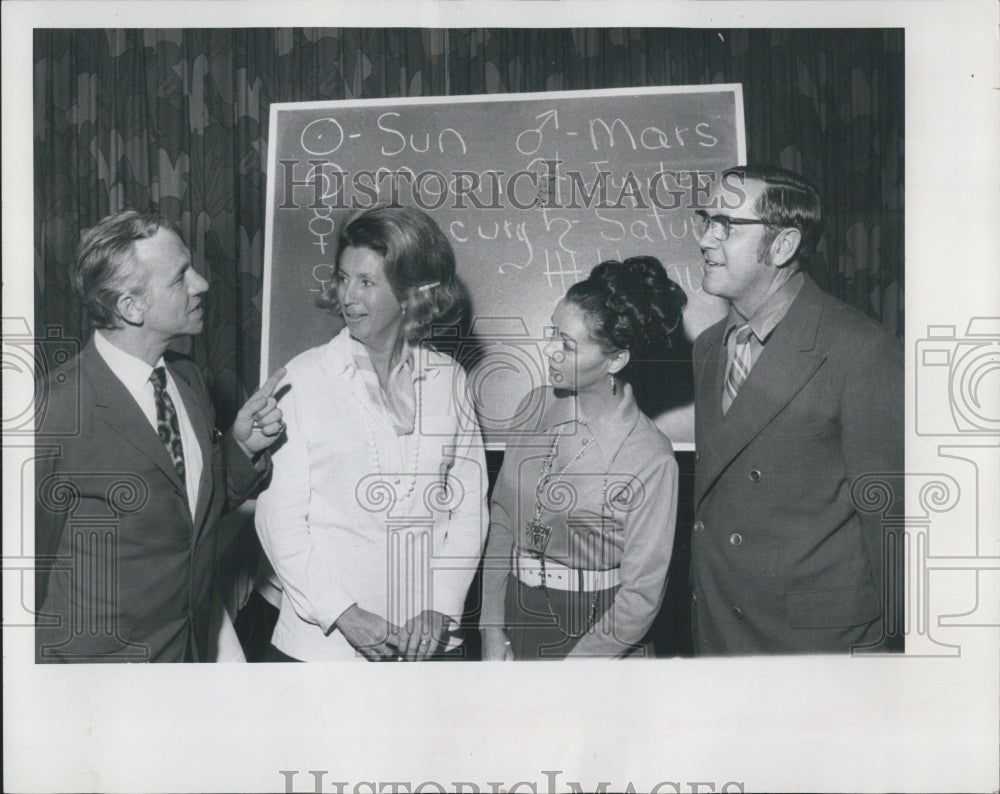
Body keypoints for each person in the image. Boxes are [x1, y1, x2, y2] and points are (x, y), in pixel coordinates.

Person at [35, 209, 285, 663]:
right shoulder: (56, 408)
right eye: (180, 277)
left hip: (185, 657)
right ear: (131, 307)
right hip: (96, 678)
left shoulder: (187, 379)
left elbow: (187, 511)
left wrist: (240, 448)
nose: (202, 283)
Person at [254, 205, 487, 662]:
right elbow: (278, 522)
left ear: (411, 293)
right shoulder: (301, 380)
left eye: (367, 282)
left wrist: (439, 608)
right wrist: (344, 614)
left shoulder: (449, 379)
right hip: (324, 647)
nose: (348, 297)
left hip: (429, 645)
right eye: (343, 279)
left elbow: (468, 512)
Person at [689, 165, 904, 655]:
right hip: (721, 628)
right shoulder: (706, 349)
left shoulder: (859, 350)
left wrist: (895, 658)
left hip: (815, 645)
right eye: (705, 219)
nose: (706, 238)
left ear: (783, 246)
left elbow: (893, 526)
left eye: (727, 224)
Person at [480, 257, 687, 659]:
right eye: (553, 334)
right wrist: (491, 625)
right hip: (517, 615)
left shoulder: (651, 459)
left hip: (596, 631)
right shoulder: (533, 407)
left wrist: (575, 671)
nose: (551, 353)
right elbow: (503, 518)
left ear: (616, 360)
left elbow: (642, 595)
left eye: (567, 345)